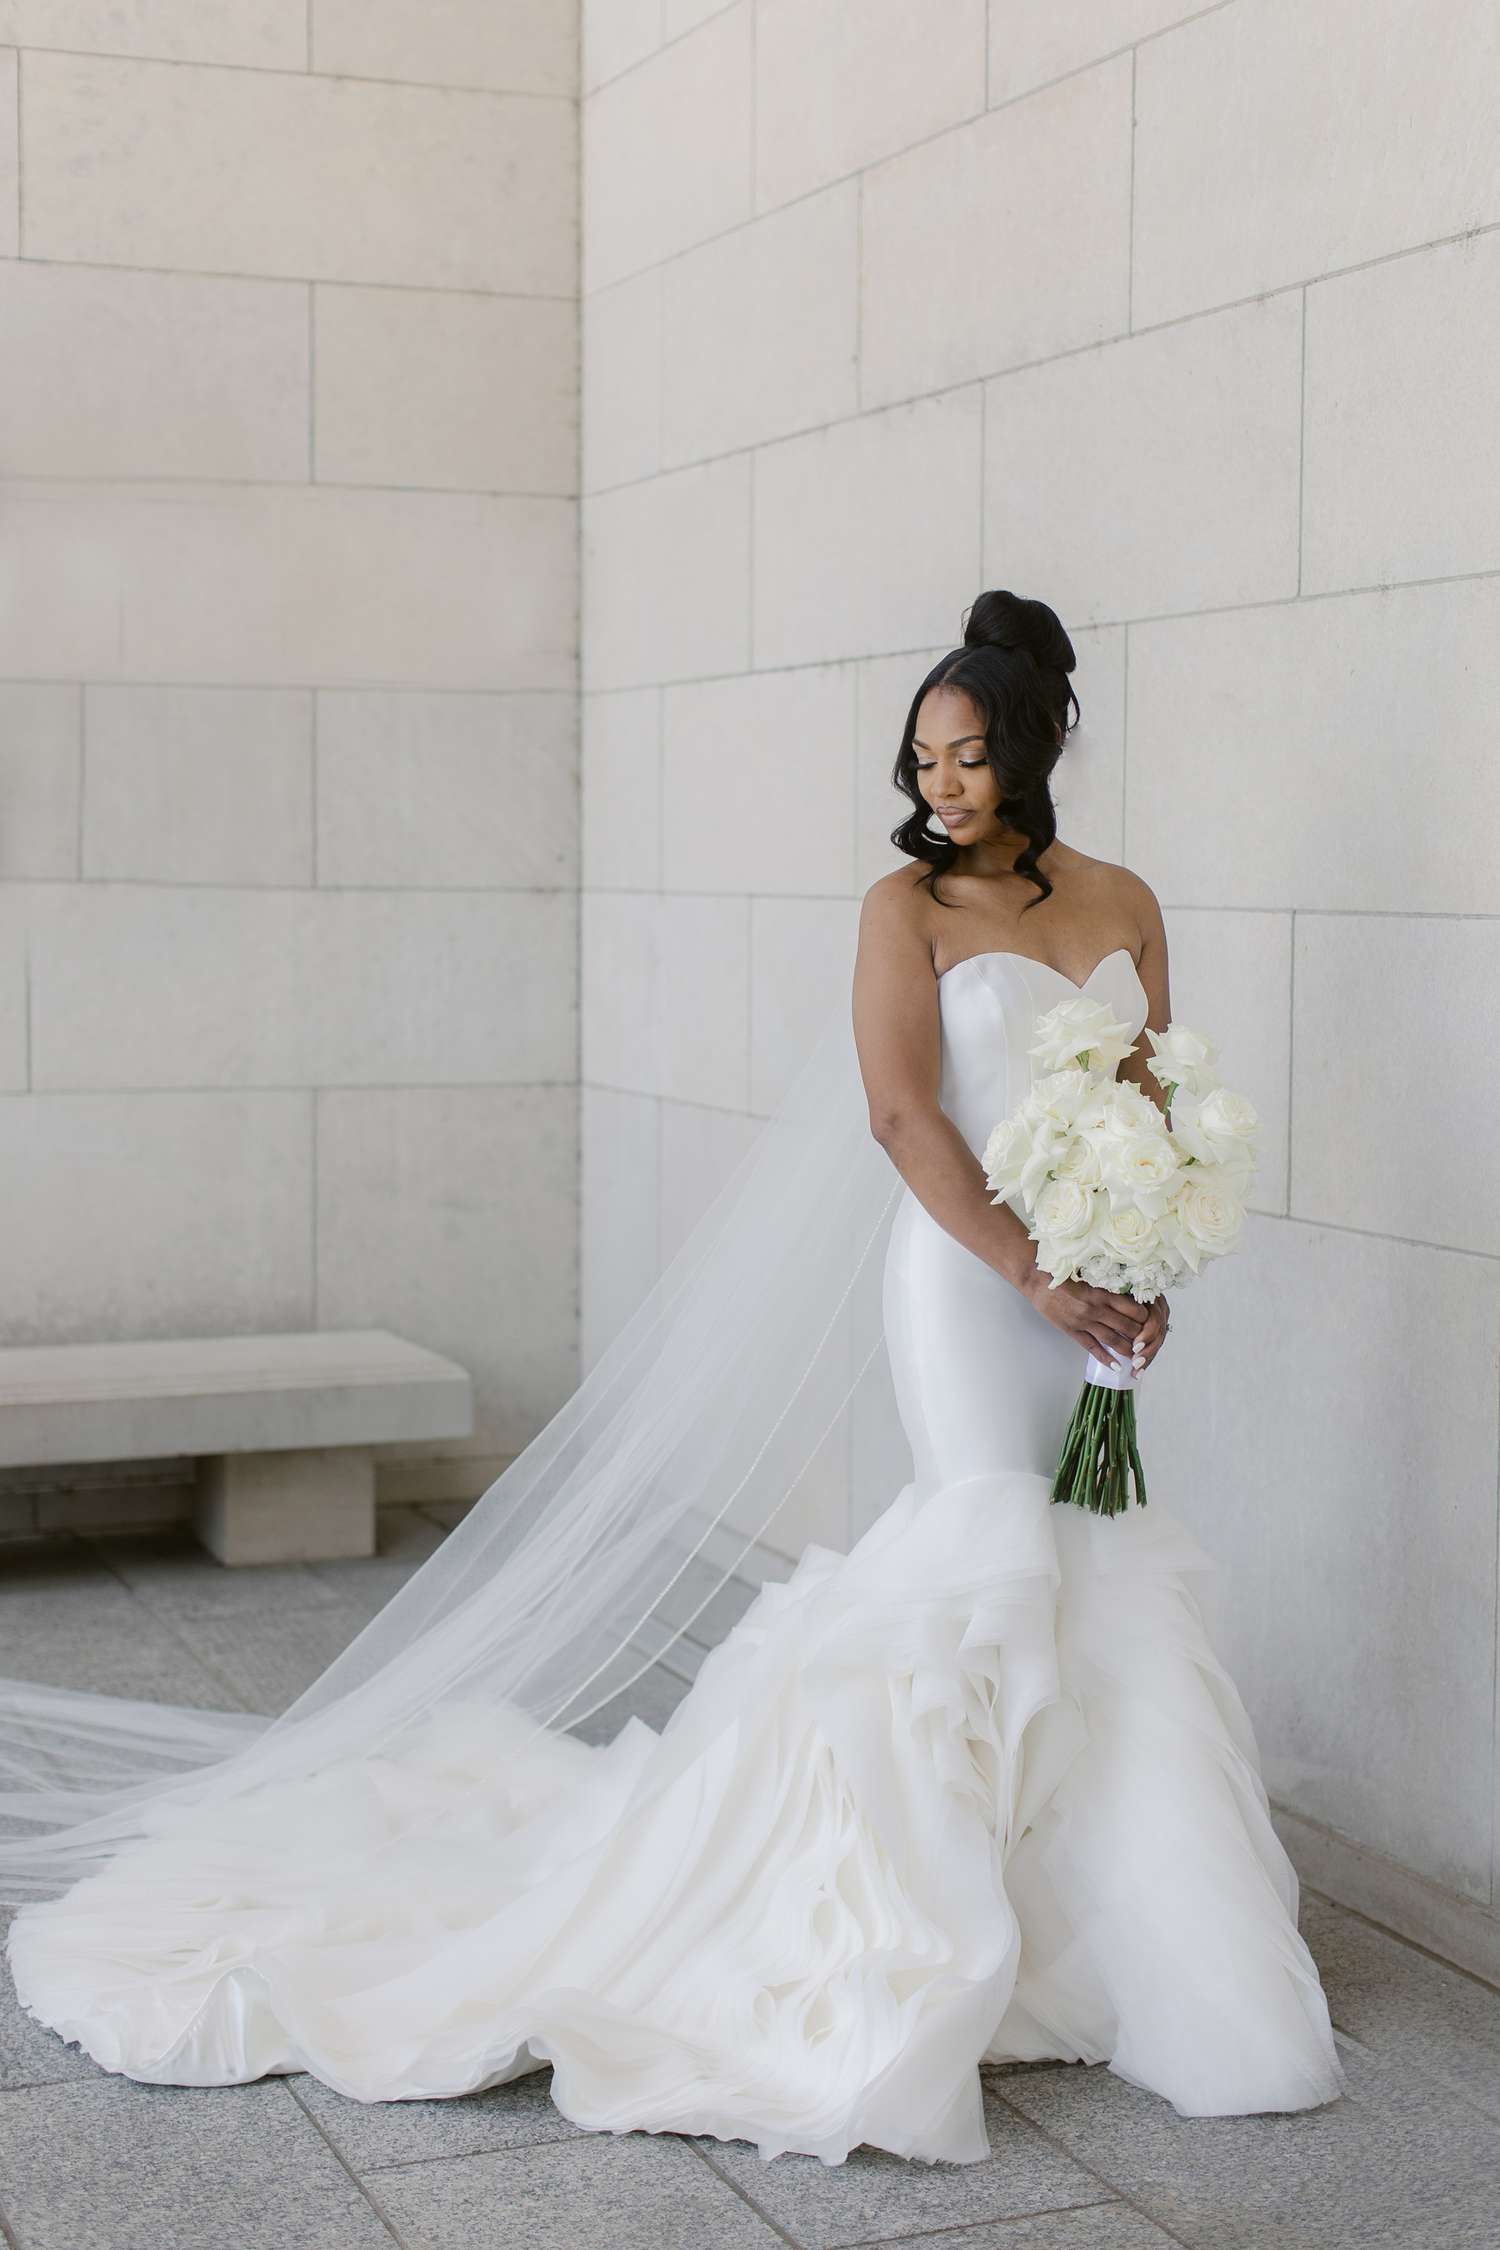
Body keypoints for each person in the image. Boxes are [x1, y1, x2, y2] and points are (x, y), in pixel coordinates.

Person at [1, 589, 1346, 2167]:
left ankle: (1118, 1942)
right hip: (971, 1286)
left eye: (970, 758)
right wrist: (1034, 1269)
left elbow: (1155, 1104)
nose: (940, 787)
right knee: (981, 1548)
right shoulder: (900, 910)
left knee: (1100, 1566)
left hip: (1087, 1302)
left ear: (1038, 750)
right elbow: (907, 1118)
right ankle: (893, 1923)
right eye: (925, 758)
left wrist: (1139, 1260)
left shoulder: (1127, 903)